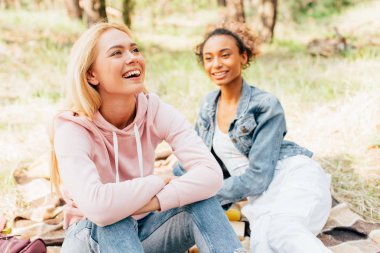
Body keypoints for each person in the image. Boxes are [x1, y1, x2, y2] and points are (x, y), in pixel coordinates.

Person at [50, 22, 242, 253]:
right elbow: (98, 209)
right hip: (88, 237)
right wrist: (158, 181)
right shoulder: (73, 128)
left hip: (144, 230)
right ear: (92, 74)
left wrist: (150, 202)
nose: (132, 57)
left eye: (135, 49)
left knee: (202, 199)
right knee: (113, 219)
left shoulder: (154, 110)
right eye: (117, 53)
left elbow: (211, 176)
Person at [174, 22, 332, 253]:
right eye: (208, 58)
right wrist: (171, 184)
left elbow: (258, 177)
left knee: (283, 231)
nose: (216, 64)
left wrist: (196, 191)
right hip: (259, 199)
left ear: (244, 58)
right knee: (263, 246)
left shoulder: (266, 105)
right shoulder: (208, 105)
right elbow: (195, 159)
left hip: (290, 177)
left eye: (225, 55)